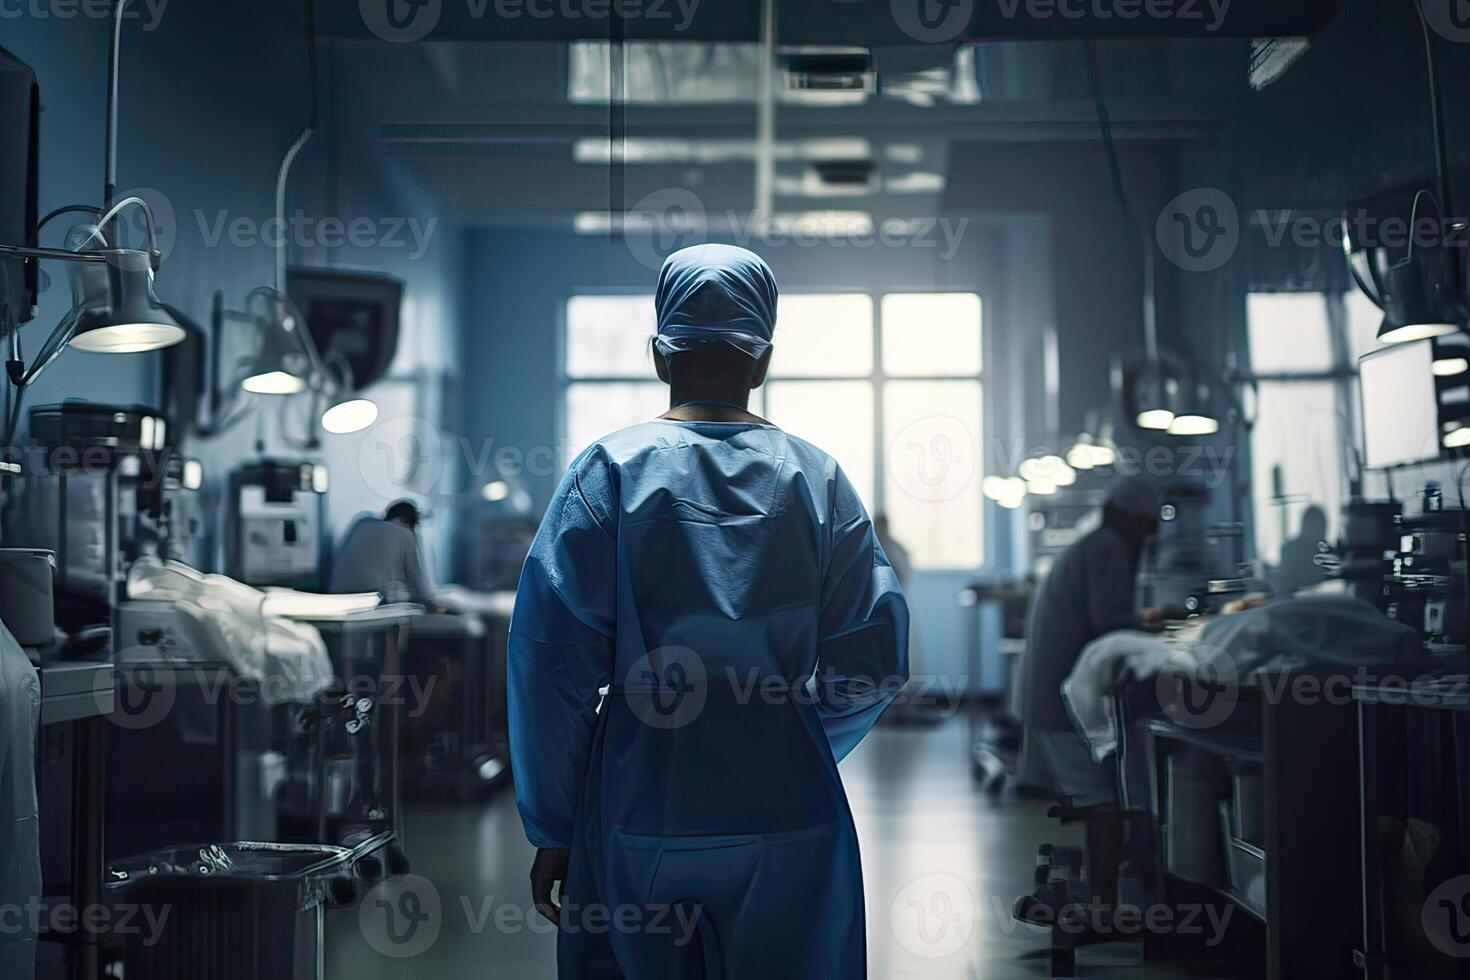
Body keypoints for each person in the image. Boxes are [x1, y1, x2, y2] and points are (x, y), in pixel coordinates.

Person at [508, 243, 908, 979]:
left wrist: (554, 823)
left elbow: (549, 666)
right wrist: (788, 733)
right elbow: (873, 664)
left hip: (639, 797)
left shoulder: (610, 473)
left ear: (661, 356)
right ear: (762, 362)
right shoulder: (816, 482)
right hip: (788, 804)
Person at [1013, 474, 1171, 910]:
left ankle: (1109, 892)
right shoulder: (1109, 547)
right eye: (1149, 523)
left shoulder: (1096, 544)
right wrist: (1157, 622)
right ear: (1129, 516)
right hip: (1064, 701)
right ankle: (1102, 907)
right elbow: (1110, 624)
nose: (1152, 533)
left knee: (1105, 795)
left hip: (1056, 693)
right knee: (1105, 801)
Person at [328, 500, 437, 607]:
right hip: (376, 603)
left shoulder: (360, 523)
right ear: (413, 523)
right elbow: (419, 588)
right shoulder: (405, 534)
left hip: (337, 598)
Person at [1274, 504, 1328, 596]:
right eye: (1314, 525)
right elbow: (1283, 584)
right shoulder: (1290, 550)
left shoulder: (1327, 553)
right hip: (1294, 602)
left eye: (1320, 525)